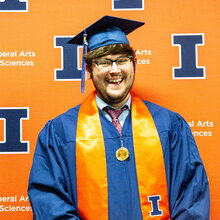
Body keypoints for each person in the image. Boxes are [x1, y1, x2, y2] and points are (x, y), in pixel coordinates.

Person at [28, 15, 210, 220]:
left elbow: (192, 196)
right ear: (88, 70)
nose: (115, 70)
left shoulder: (169, 125)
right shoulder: (61, 131)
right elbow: (49, 203)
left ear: (134, 64)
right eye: (104, 62)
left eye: (122, 60)